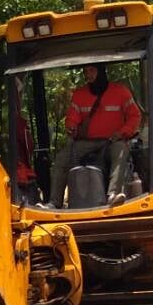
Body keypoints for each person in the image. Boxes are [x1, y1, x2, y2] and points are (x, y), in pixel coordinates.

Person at [48, 63, 142, 208]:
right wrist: (71, 127)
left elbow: (135, 116)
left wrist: (122, 132)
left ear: (101, 71)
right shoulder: (79, 95)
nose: (88, 75)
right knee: (62, 158)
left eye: (92, 70)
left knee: (121, 151)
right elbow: (72, 118)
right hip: (87, 143)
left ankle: (113, 195)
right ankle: (54, 202)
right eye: (85, 71)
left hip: (112, 141)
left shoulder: (121, 92)